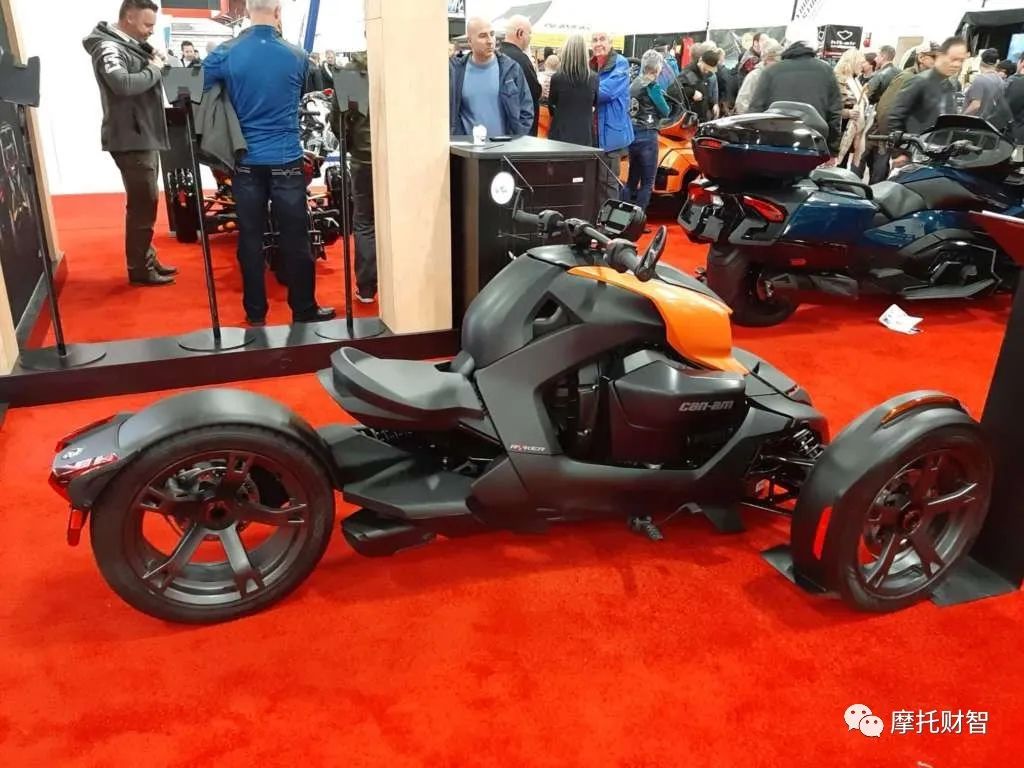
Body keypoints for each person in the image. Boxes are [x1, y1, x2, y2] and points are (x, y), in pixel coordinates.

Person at [203, 0, 335, 325]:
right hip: (286, 158)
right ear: (278, 12)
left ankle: (255, 312)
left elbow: (201, 92)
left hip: (245, 159)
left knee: (250, 237)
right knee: (296, 237)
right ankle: (303, 309)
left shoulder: (224, 54)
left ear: (248, 11)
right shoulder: (297, 56)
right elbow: (306, 98)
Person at [83, 0, 177, 287]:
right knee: (142, 205)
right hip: (131, 138)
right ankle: (139, 268)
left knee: (146, 203)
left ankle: (146, 259)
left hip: (142, 135)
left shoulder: (129, 46)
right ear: (129, 18)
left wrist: (153, 61)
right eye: (147, 24)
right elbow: (122, 84)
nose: (151, 30)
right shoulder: (108, 47)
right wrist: (154, 69)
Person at [330, 52, 377, 304]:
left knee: (365, 222)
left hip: (363, 158)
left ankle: (367, 288)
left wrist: (350, 145)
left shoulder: (352, 74)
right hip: (397, 160)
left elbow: (338, 121)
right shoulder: (399, 65)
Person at [748, 40, 844, 156]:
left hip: (775, 142)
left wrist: (754, 144)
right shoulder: (826, 70)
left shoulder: (771, 71)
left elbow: (755, 109)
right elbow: (835, 113)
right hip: (814, 143)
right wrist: (832, 149)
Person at [449, 17, 533, 138]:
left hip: (504, 147)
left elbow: (527, 109)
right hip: (468, 147)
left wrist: (516, 139)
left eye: (492, 34)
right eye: (482, 36)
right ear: (470, 41)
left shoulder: (511, 69)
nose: (490, 41)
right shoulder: (456, 71)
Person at [888, 37, 969, 137]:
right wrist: (900, 145)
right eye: (953, 59)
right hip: (917, 143)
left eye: (961, 61)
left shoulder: (949, 85)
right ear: (941, 56)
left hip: (938, 143)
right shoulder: (920, 81)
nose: (957, 65)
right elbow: (895, 116)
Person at [623, 50, 670, 211]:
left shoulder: (634, 83)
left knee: (631, 180)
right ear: (657, 68)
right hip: (648, 136)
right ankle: (639, 217)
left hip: (632, 134)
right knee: (647, 182)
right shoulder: (652, 86)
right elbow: (665, 111)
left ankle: (623, 213)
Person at [590, 31, 634, 201]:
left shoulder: (620, 63)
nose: (598, 43)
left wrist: (581, 90)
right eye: (594, 40)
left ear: (611, 42)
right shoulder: (591, 64)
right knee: (595, 185)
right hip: (594, 135)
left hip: (610, 136)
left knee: (608, 184)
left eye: (602, 39)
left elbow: (606, 92)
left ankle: (609, 218)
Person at [548, 34, 597, 146]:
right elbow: (594, 103)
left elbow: (551, 105)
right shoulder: (593, 78)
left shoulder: (557, 78)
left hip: (560, 135)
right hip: (585, 135)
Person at [500, 15, 543, 136]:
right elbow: (535, 92)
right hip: (521, 131)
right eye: (529, 34)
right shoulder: (522, 60)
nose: (530, 38)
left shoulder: (495, 57)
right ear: (520, 33)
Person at [964, 48, 1011, 131]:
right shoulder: (1001, 81)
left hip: (972, 126)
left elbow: (975, 105)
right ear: (996, 63)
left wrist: (961, 117)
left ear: (981, 61)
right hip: (988, 126)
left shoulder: (979, 80)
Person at [734, 39, 781, 114]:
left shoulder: (779, 75)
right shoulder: (754, 76)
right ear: (766, 59)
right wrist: (754, 117)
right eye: (775, 60)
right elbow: (741, 103)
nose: (779, 63)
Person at [677, 48, 720, 123]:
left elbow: (704, 92)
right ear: (700, 60)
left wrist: (713, 104)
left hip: (701, 117)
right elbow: (675, 90)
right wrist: (692, 93)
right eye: (705, 69)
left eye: (709, 70)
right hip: (690, 120)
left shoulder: (704, 74)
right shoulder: (687, 74)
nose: (706, 72)